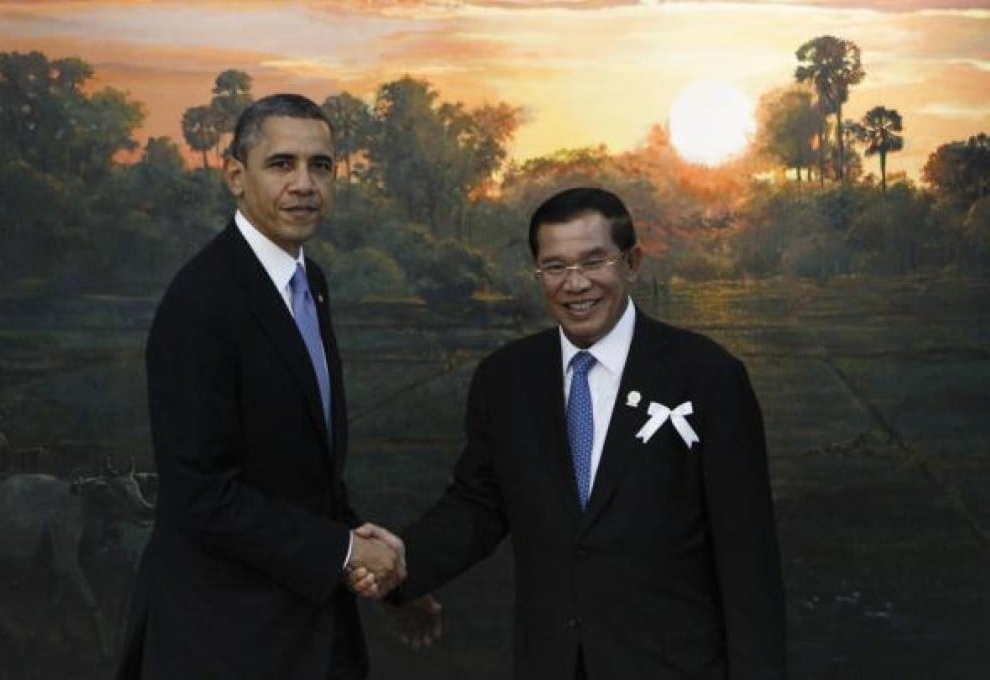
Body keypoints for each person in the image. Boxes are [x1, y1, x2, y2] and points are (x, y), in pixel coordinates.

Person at [357, 187, 786, 679]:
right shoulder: (506, 379)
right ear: (538, 273)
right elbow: (479, 506)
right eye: (555, 267)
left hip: (675, 665)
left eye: (593, 261)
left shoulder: (707, 376)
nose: (575, 284)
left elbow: (748, 559)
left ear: (632, 262)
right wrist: (397, 563)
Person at [117, 94, 405, 680]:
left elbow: (302, 467)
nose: (304, 184)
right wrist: (348, 553)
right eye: (282, 164)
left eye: (320, 166)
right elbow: (200, 496)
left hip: (305, 626)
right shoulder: (202, 301)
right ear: (235, 176)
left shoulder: (308, 281)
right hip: (224, 639)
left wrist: (383, 571)